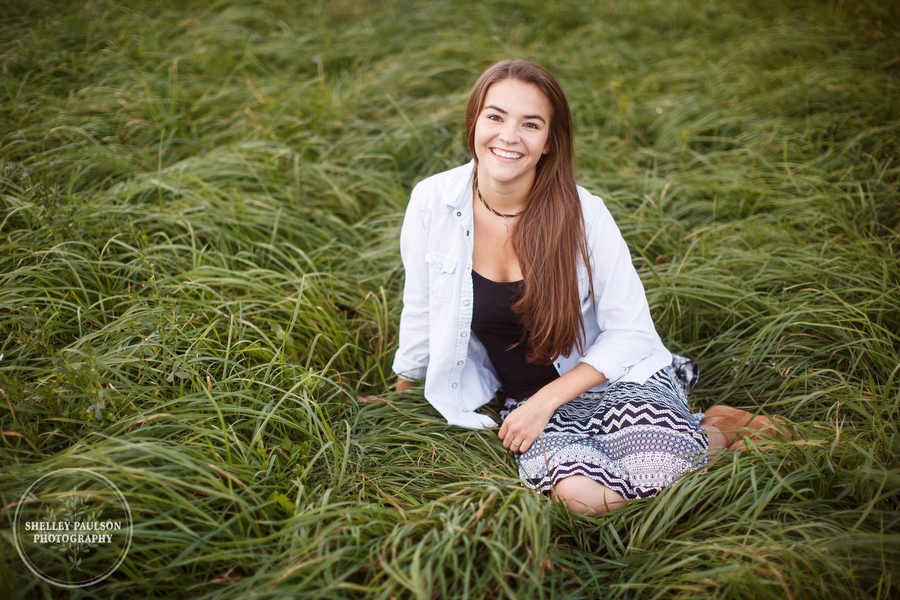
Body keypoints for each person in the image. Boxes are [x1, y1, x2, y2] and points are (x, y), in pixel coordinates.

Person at [390, 59, 783, 515]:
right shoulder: (432, 201)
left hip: (611, 377)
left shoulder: (584, 215)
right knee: (584, 501)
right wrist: (401, 392)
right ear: (474, 120)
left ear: (549, 143)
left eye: (530, 124)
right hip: (526, 399)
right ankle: (699, 429)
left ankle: (717, 431)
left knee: (661, 472)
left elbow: (632, 332)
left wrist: (545, 402)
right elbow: (420, 304)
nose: (509, 136)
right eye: (495, 116)